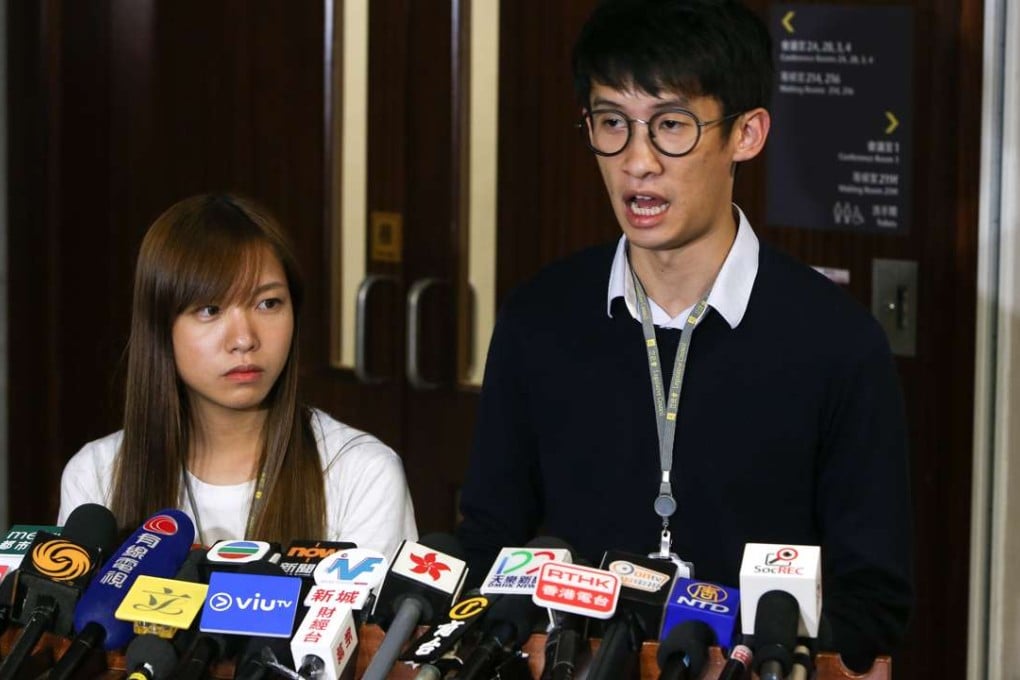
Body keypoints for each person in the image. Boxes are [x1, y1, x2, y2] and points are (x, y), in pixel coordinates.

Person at [456, 0, 912, 669]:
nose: (636, 162)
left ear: (746, 134)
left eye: (670, 126)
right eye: (612, 123)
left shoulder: (838, 344)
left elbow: (874, 600)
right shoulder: (539, 319)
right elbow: (491, 538)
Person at [58, 193, 417, 557]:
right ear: (160, 326)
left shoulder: (360, 473)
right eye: (210, 309)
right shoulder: (99, 475)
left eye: (268, 304)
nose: (244, 339)